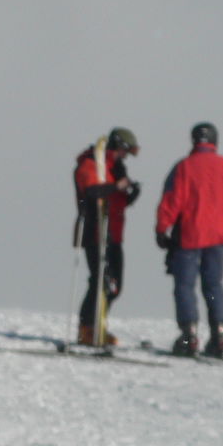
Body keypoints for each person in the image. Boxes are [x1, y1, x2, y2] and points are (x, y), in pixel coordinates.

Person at [155, 122, 223, 358]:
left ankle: (189, 334)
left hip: (190, 234)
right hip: (220, 237)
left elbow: (172, 200)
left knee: (185, 285)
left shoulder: (184, 167)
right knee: (214, 284)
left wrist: (161, 228)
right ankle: (219, 334)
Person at [72, 128, 141, 346]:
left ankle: (98, 325)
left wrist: (131, 196)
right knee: (100, 281)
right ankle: (86, 329)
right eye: (124, 151)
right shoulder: (91, 164)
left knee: (114, 285)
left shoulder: (116, 168)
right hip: (95, 231)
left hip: (114, 234)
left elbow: (115, 202)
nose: (125, 156)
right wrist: (116, 186)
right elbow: (92, 192)